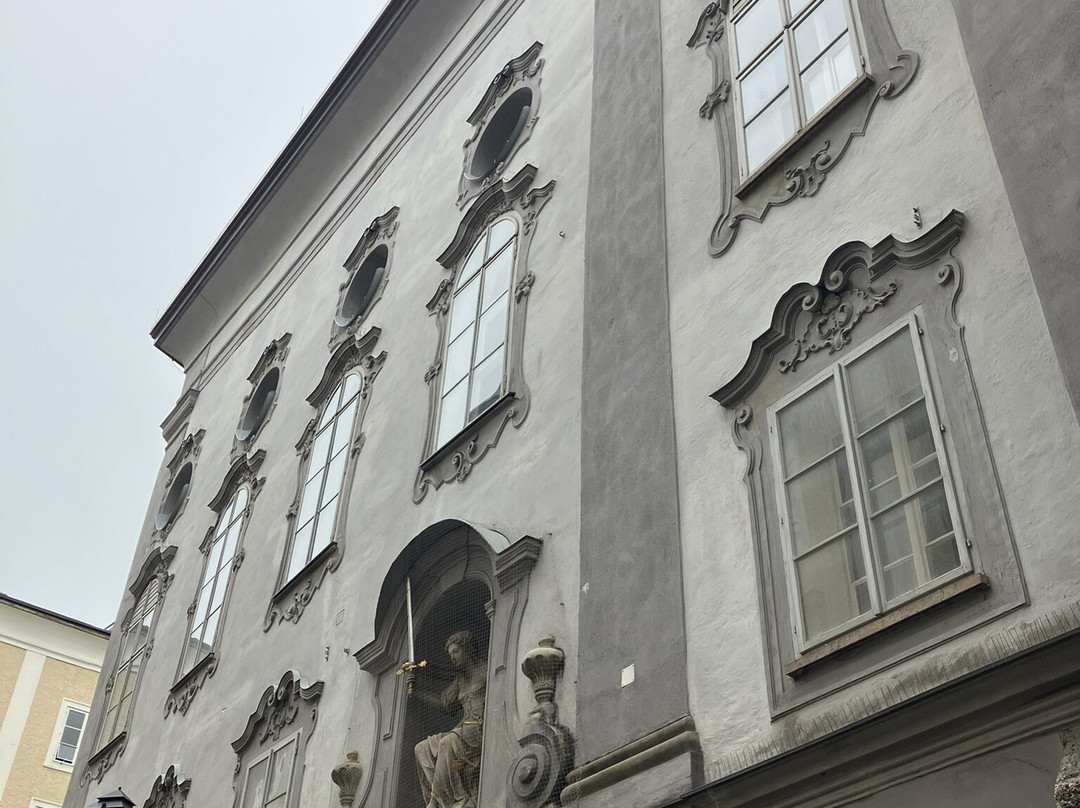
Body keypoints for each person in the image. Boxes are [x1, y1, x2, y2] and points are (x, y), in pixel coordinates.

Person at [413, 630, 486, 808]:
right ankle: (443, 800)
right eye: (450, 654)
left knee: (448, 742)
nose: (452, 657)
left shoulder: (486, 669)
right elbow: (443, 704)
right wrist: (416, 691)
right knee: (421, 748)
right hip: (464, 729)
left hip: (481, 727)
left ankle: (438, 800)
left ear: (468, 649)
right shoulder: (460, 681)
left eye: (456, 651)